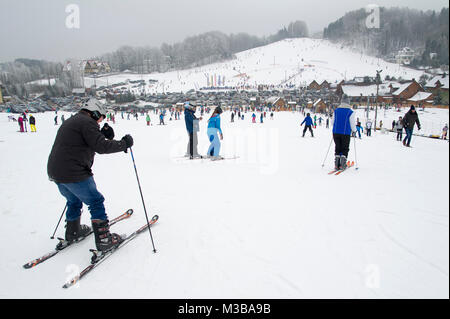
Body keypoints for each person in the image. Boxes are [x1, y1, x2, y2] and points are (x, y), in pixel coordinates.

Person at [47, 98, 134, 252]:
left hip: (56, 171)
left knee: (73, 200)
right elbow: (101, 146)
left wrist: (101, 134)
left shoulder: (74, 120)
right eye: (102, 116)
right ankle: (104, 240)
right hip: (73, 171)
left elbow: (82, 141)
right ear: (94, 112)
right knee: (95, 201)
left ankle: (73, 231)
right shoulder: (87, 123)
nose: (102, 120)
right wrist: (124, 144)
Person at [332, 103, 356, 170]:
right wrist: (354, 130)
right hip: (345, 133)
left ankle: (337, 164)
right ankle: (342, 164)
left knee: (338, 147)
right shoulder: (350, 112)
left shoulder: (336, 111)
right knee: (345, 148)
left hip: (335, 132)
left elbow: (332, 122)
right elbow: (352, 123)